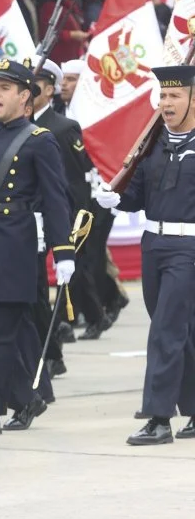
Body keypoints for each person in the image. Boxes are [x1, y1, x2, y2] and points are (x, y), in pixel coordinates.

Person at [0, 58, 75, 438]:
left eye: (5, 89)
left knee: (2, 333)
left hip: (13, 242)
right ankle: (27, 398)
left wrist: (63, 250)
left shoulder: (40, 140)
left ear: (26, 97)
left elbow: (56, 199)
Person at [95, 65, 195, 445]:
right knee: (183, 334)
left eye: (174, 96)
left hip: (188, 249)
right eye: (163, 97)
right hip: (153, 246)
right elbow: (137, 195)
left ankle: (157, 416)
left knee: (166, 332)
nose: (166, 103)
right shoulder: (153, 145)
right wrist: (115, 197)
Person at [30, 58, 108, 341]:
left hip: (64, 210)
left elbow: (77, 176)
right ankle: (60, 322)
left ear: (50, 90)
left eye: (35, 86)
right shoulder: (19, 125)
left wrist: (79, 214)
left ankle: (96, 316)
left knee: (75, 267)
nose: (29, 92)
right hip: (32, 212)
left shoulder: (63, 127)